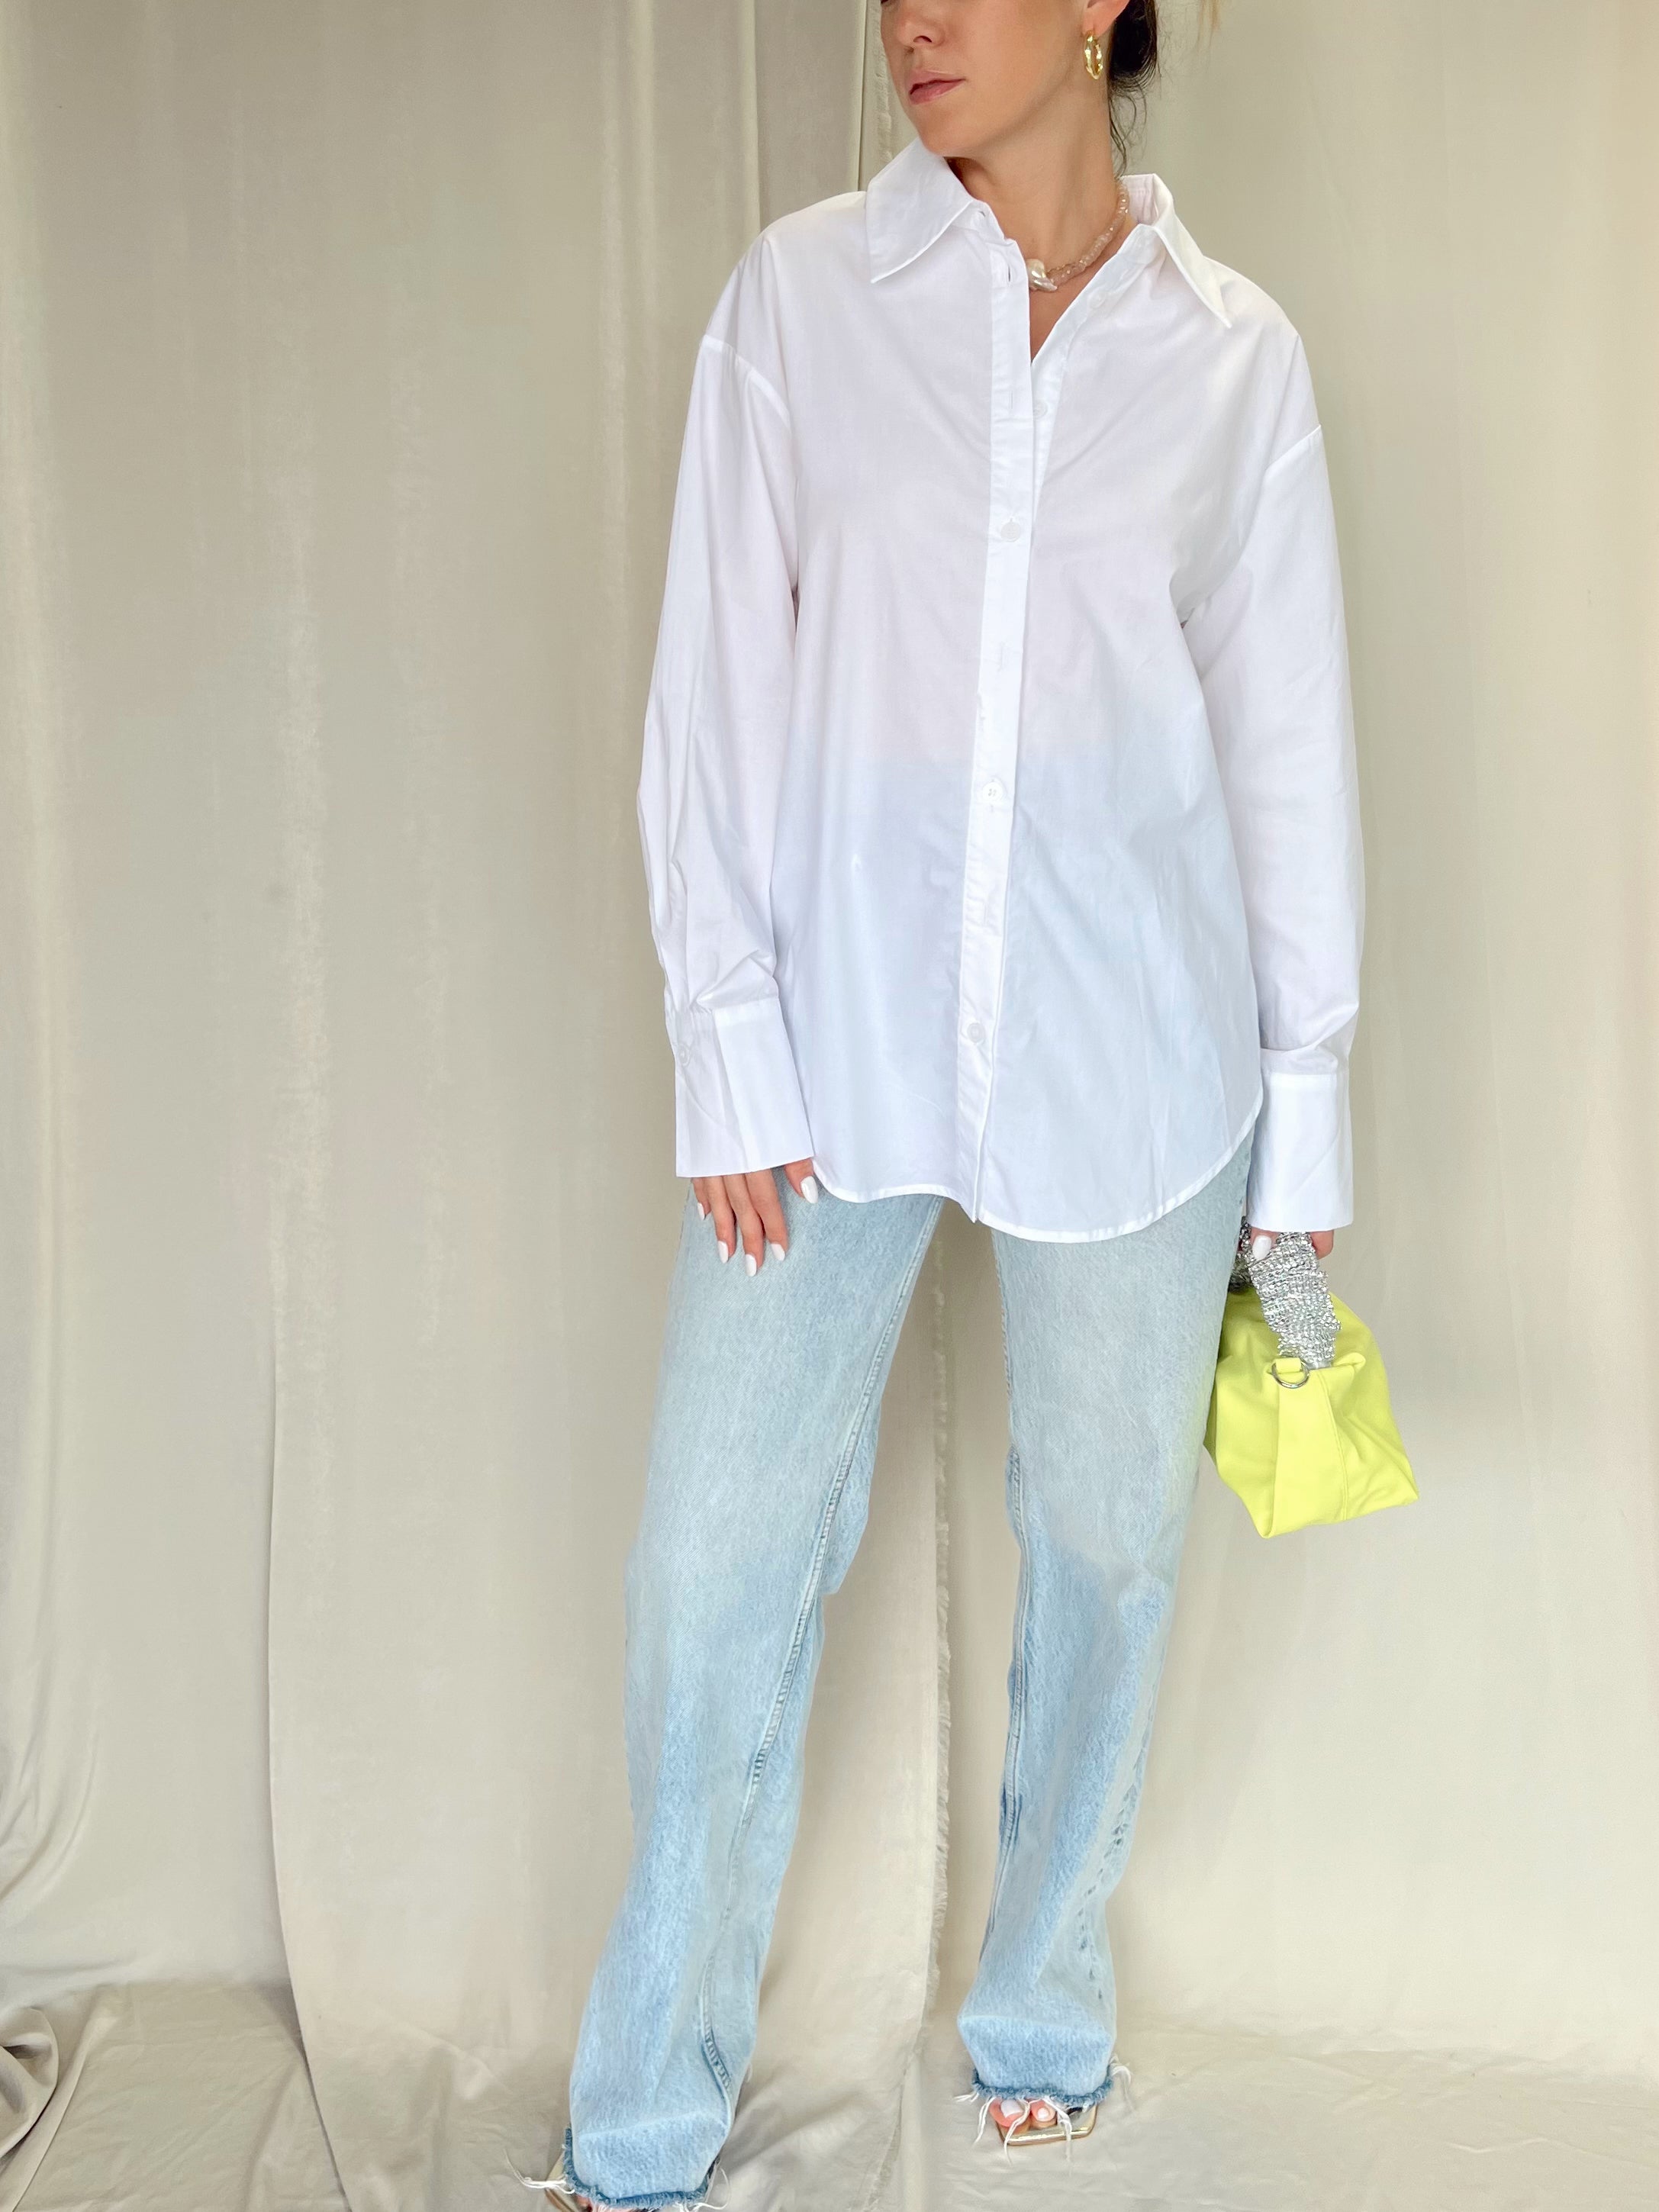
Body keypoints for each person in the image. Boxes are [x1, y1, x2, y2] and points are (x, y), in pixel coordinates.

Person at [530, 1, 1361, 2205]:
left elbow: (1283, 750)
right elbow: (718, 680)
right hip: (835, 1041)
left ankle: (1044, 2006)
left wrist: (1304, 1128)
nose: (914, 17)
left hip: (1139, 1047)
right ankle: (645, 2116)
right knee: (711, 1563)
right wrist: (725, 1032)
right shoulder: (804, 302)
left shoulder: (1232, 361)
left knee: (1106, 1541)